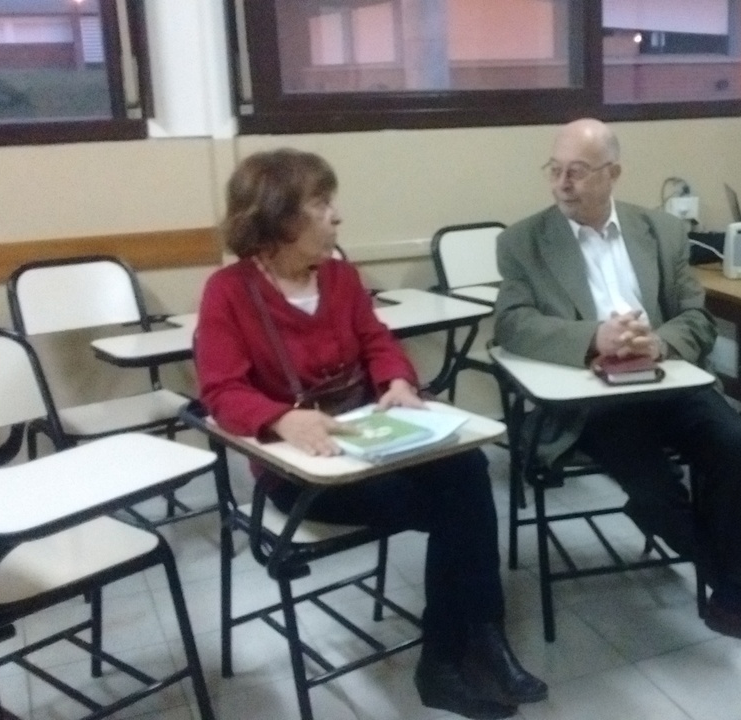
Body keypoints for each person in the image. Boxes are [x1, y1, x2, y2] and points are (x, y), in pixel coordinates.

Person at [195, 149, 546, 720]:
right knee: (458, 502)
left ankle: (466, 649)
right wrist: (282, 418)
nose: (337, 216)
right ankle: (461, 652)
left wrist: (398, 382)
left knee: (467, 467)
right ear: (278, 217)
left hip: (372, 445)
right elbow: (221, 392)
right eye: (320, 204)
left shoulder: (340, 276)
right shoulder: (228, 292)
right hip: (304, 474)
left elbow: (378, 341)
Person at [494, 118, 741, 659]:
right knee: (654, 483)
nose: (562, 184)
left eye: (577, 172)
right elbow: (512, 324)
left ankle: (733, 590)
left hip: (666, 379)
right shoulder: (524, 241)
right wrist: (594, 337)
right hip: (593, 399)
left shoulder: (661, 231)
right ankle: (739, 589)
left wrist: (658, 343)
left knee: (735, 443)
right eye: (555, 170)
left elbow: (696, 316)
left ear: (613, 173)